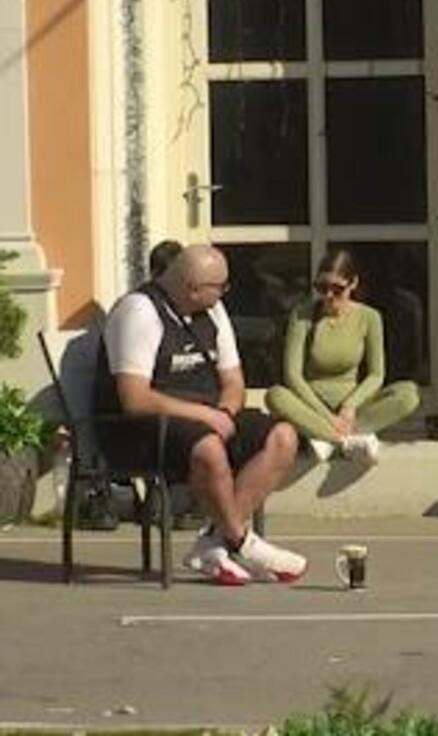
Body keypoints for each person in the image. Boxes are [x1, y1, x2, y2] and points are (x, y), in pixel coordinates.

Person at [94, 244, 307, 585]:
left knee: (283, 436)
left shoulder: (213, 311)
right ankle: (243, 542)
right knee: (208, 447)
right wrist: (206, 417)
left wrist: (224, 412)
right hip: (142, 429)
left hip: (207, 417)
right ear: (192, 288)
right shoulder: (139, 312)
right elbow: (134, 398)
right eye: (219, 287)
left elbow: (234, 381)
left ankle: (213, 543)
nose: (224, 293)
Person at [266, 249, 420, 465]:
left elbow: (376, 374)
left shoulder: (369, 317)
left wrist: (350, 406)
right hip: (312, 407)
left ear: (353, 283)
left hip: (353, 409)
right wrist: (329, 419)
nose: (328, 295)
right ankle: (344, 439)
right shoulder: (302, 315)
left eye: (337, 289)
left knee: (408, 394)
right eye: (322, 288)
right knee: (275, 396)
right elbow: (293, 376)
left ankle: (327, 438)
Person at [77, 239, 187, 532]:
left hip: (155, 415)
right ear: (157, 275)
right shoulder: (138, 313)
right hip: (125, 424)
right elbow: (135, 394)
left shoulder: (178, 312)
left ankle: (186, 500)